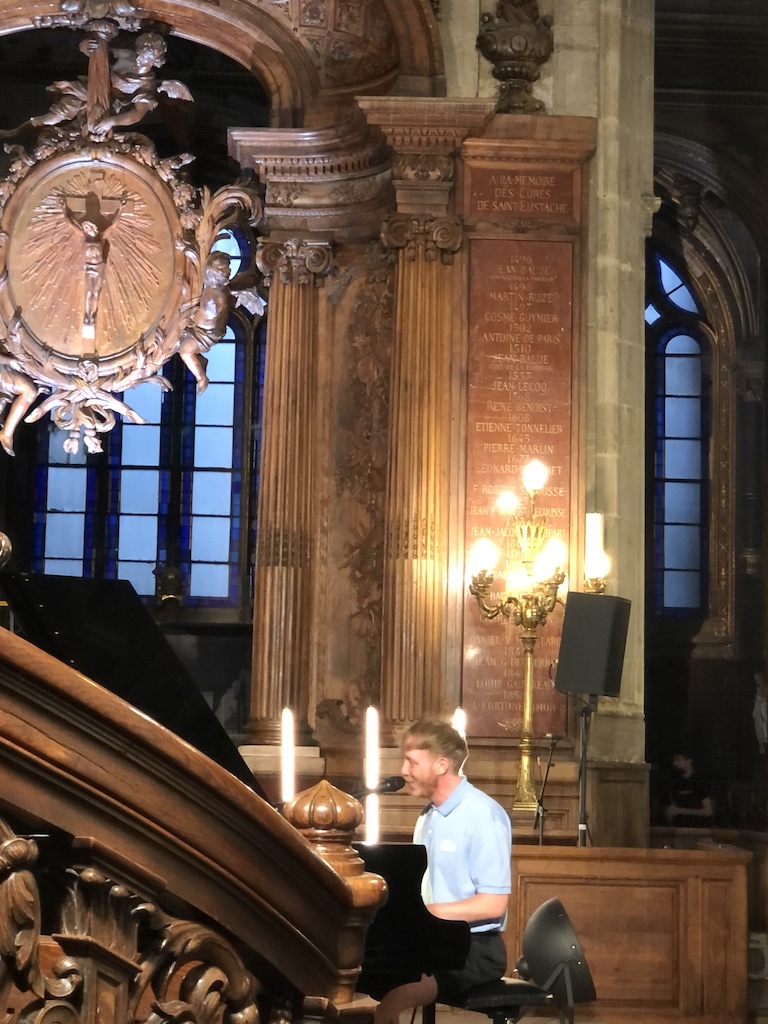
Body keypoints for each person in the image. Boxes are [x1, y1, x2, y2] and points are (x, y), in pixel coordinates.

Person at [374, 717, 512, 1024]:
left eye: (411, 762)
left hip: (475, 950)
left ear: (441, 764)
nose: (403, 772)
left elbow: (493, 903)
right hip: (435, 943)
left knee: (392, 999)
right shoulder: (429, 817)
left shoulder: (483, 815)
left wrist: (425, 912)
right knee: (369, 975)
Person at [662, 753, 714, 826]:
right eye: (673, 760)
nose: (675, 763)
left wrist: (680, 811)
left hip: (699, 829)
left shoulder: (700, 781)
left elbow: (708, 811)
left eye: (678, 759)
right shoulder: (674, 783)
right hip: (678, 829)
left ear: (689, 761)